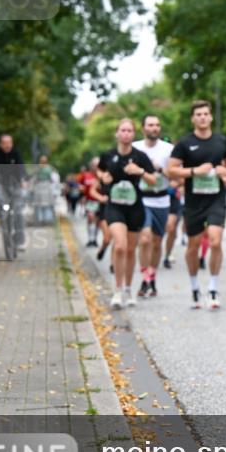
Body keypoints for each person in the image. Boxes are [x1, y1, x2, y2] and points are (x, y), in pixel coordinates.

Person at [167, 100, 226, 309]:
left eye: (206, 114)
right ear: (193, 119)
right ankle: (195, 286)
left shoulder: (221, 141)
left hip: (216, 198)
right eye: (199, 114)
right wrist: (194, 171)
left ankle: (213, 288)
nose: (203, 117)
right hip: (194, 202)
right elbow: (171, 170)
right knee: (193, 246)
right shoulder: (185, 143)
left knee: (215, 241)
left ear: (211, 117)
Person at [98, 119, 156, 309]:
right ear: (117, 133)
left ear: (134, 134)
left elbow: (153, 180)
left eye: (130, 130)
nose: (126, 134)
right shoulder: (108, 155)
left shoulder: (140, 156)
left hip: (135, 207)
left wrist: (139, 171)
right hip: (115, 207)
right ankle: (117, 289)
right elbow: (101, 172)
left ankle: (128, 288)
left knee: (131, 250)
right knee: (120, 245)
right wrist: (103, 178)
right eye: (122, 130)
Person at [133, 114, 175, 297]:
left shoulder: (169, 149)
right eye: (150, 125)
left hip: (162, 199)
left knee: (157, 243)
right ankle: (144, 279)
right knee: (145, 239)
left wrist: (159, 169)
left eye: (157, 125)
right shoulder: (135, 148)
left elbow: (176, 176)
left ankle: (152, 277)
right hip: (141, 199)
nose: (154, 128)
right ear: (143, 128)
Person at [0, 134, 27, 250]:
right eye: (5, 143)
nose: (7, 145)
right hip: (2, 184)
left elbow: (22, 167)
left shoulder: (16, 153)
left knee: (18, 213)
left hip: (16, 185)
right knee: (0, 201)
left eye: (9, 142)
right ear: (0, 144)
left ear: (12, 143)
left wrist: (23, 180)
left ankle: (19, 242)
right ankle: (3, 221)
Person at [32, 155, 56, 225]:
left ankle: (44, 219)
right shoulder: (48, 168)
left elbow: (35, 178)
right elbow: (51, 179)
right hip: (43, 186)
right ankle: (43, 219)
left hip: (43, 186)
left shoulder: (39, 168)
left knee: (43, 204)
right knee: (44, 204)